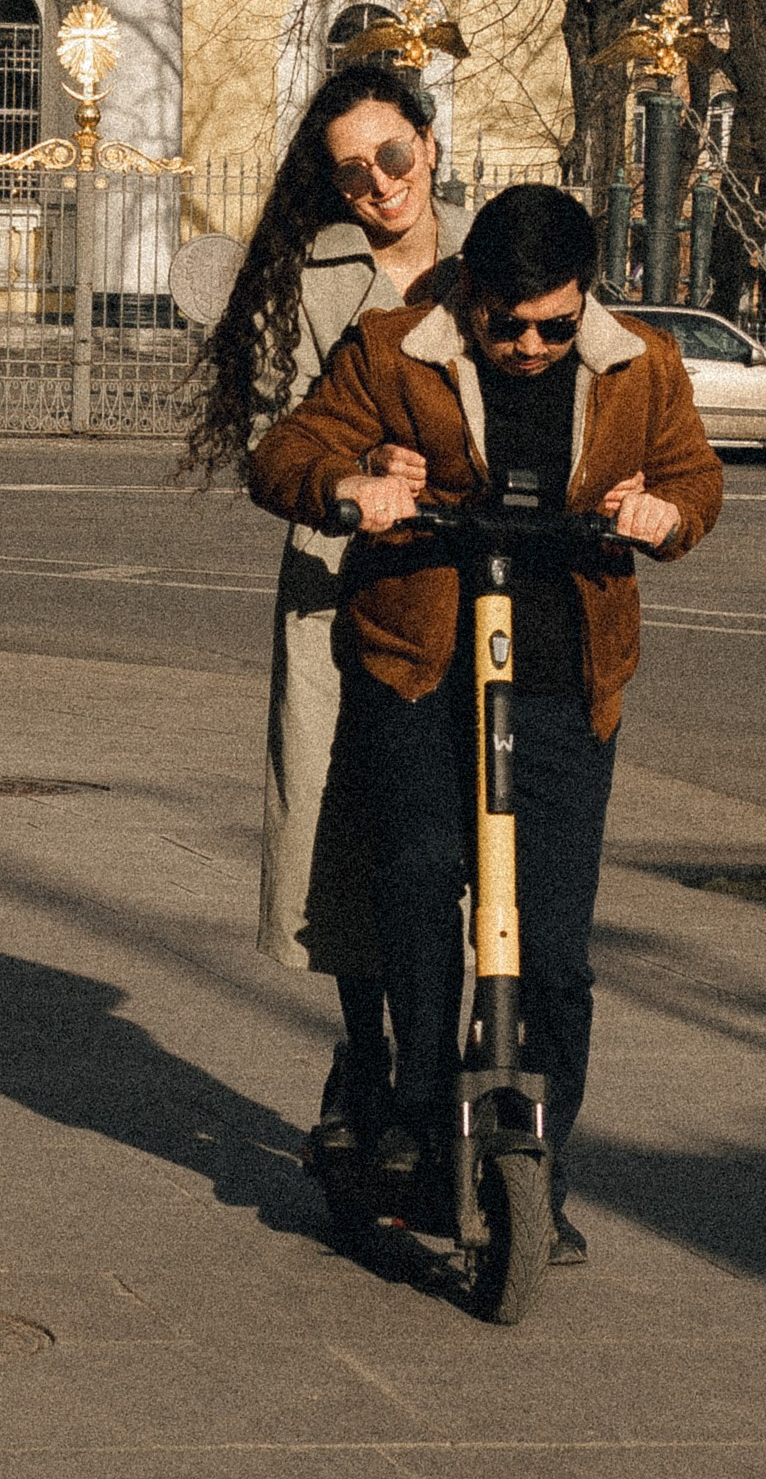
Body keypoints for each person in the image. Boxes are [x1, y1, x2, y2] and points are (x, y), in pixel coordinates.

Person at [247, 183, 723, 1266]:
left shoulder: (638, 365)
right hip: (419, 669)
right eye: (501, 321)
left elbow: (695, 476)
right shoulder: (389, 350)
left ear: (584, 298)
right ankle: (416, 1113)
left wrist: (667, 514)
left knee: (552, 947)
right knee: (417, 880)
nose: (525, 344)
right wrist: (350, 484)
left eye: (553, 324)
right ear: (466, 296)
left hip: (564, 684)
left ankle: (538, 1165)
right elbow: (281, 455)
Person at [187, 61, 465, 1160]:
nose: (380, 183)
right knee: (342, 819)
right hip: (343, 572)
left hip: (468, 570)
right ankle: (370, 1054)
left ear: (430, 144)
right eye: (352, 171)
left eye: (394, 156)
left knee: (458, 830)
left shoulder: (493, 255)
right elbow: (270, 434)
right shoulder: (306, 276)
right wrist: (354, 463)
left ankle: (464, 1084)